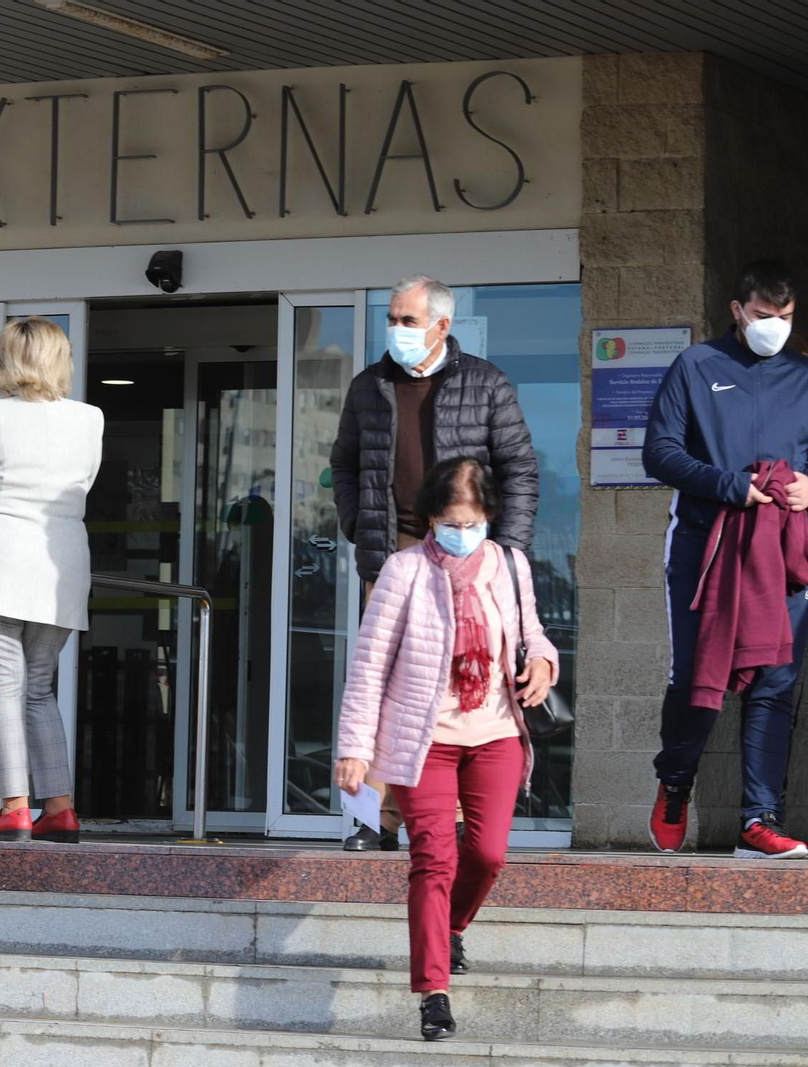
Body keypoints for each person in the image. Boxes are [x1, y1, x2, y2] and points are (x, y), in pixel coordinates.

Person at [334, 457, 556, 1041]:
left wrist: (543, 660)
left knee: (487, 856)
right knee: (434, 860)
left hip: (497, 733)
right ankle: (434, 992)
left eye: (473, 519)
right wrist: (355, 747)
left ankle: (452, 928)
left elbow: (533, 629)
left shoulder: (510, 566)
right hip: (423, 741)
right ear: (432, 517)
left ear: (488, 515)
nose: (462, 531)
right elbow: (369, 667)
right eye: (450, 521)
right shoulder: (403, 572)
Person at [330, 274, 539, 852]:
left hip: (466, 553)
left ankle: (439, 817)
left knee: (450, 678)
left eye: (408, 321)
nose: (395, 330)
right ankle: (374, 818)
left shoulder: (486, 383)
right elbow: (344, 464)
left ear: (441, 326)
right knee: (384, 679)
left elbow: (519, 469)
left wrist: (509, 550)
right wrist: (358, 524)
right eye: (392, 319)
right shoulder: (369, 385)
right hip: (395, 550)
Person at [643, 259, 808, 859]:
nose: (776, 328)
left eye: (786, 318)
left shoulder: (803, 375)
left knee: (775, 677)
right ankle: (676, 780)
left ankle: (759, 819)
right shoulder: (696, 366)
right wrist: (729, 485)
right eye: (765, 316)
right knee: (695, 676)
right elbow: (658, 454)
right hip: (703, 546)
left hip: (781, 552)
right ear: (738, 312)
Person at [0, 316, 104, 844]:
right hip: (61, 561)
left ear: (8, 360)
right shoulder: (89, 419)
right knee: (38, 688)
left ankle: (14, 807)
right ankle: (60, 807)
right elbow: (83, 484)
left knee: (2, 686)